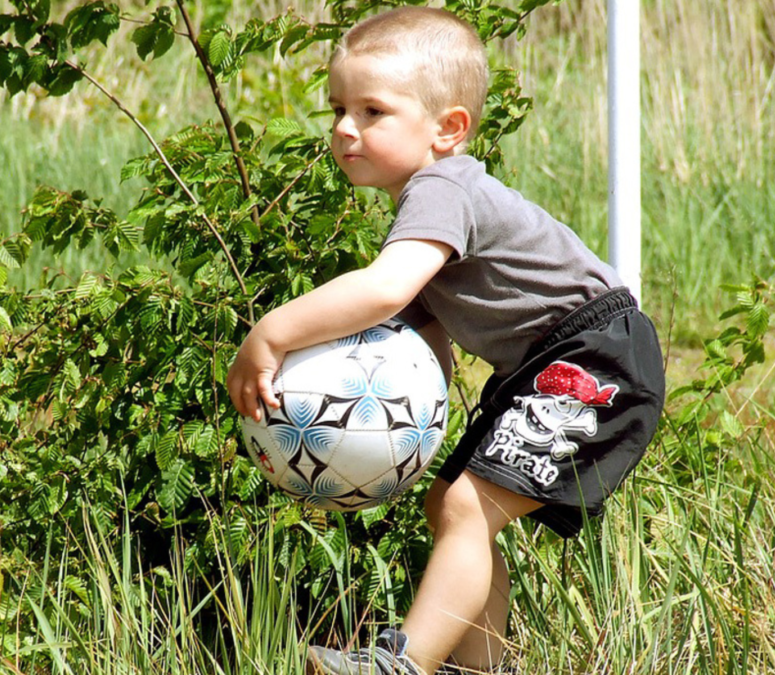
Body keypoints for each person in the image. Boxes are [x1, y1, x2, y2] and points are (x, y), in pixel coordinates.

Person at [226, 6, 665, 675]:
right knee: (452, 504)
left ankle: (403, 665)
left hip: (594, 357)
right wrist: (383, 441)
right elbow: (428, 350)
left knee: (465, 505)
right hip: (552, 362)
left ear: (448, 129)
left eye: (373, 111)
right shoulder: (426, 206)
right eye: (337, 109)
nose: (346, 129)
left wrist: (270, 332)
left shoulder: (441, 188)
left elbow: (382, 292)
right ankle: (485, 666)